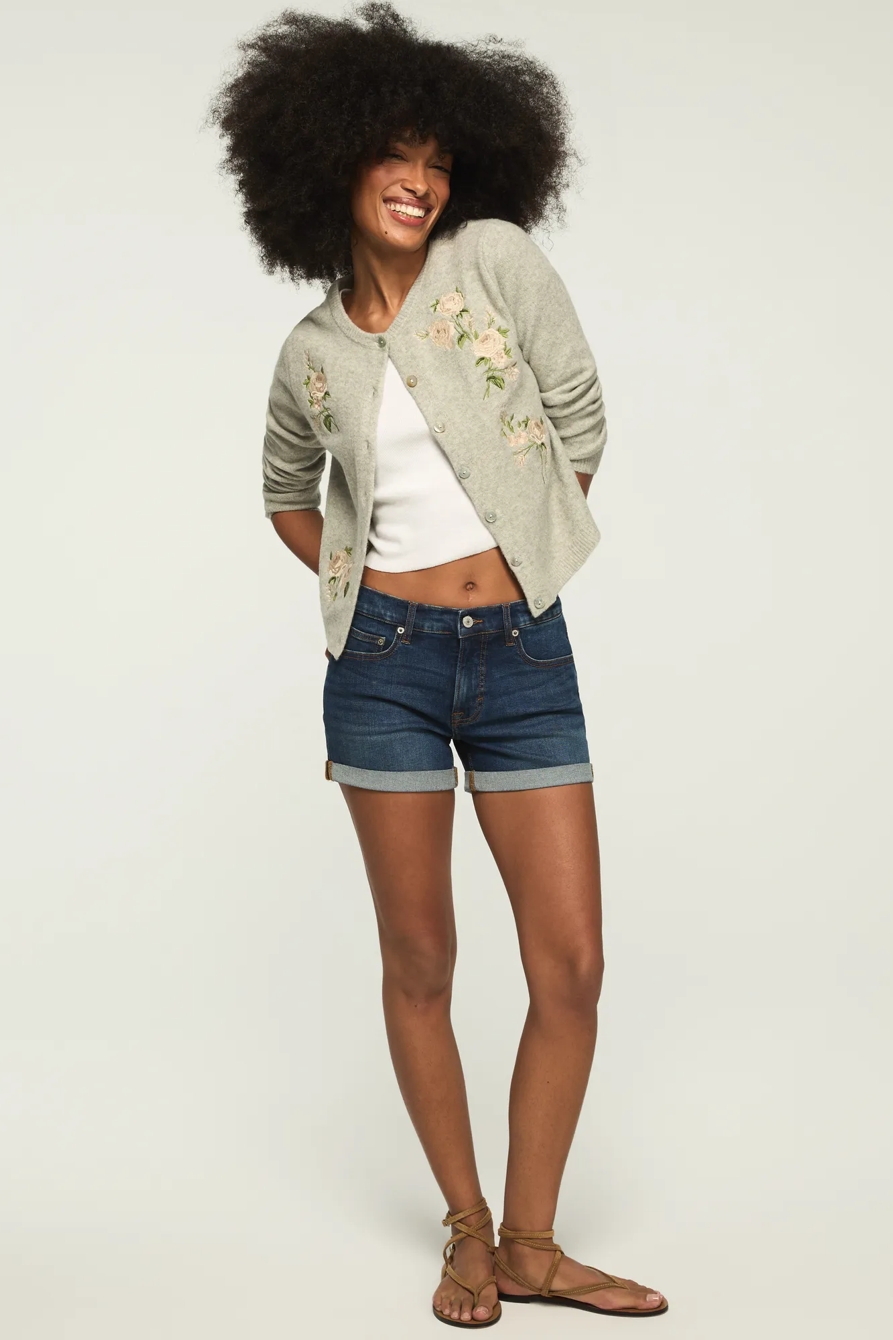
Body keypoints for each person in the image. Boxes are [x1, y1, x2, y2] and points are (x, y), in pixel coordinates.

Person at [207, 2, 667, 1327]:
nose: (419, 180)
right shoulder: (312, 354)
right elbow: (284, 492)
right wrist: (368, 594)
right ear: (330, 164)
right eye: (393, 155)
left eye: (438, 160)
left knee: (570, 966)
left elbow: (577, 413)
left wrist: (525, 552)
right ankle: (469, 1233)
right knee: (420, 960)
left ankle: (535, 1244)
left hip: (523, 651)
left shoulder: (494, 260)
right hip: (383, 668)